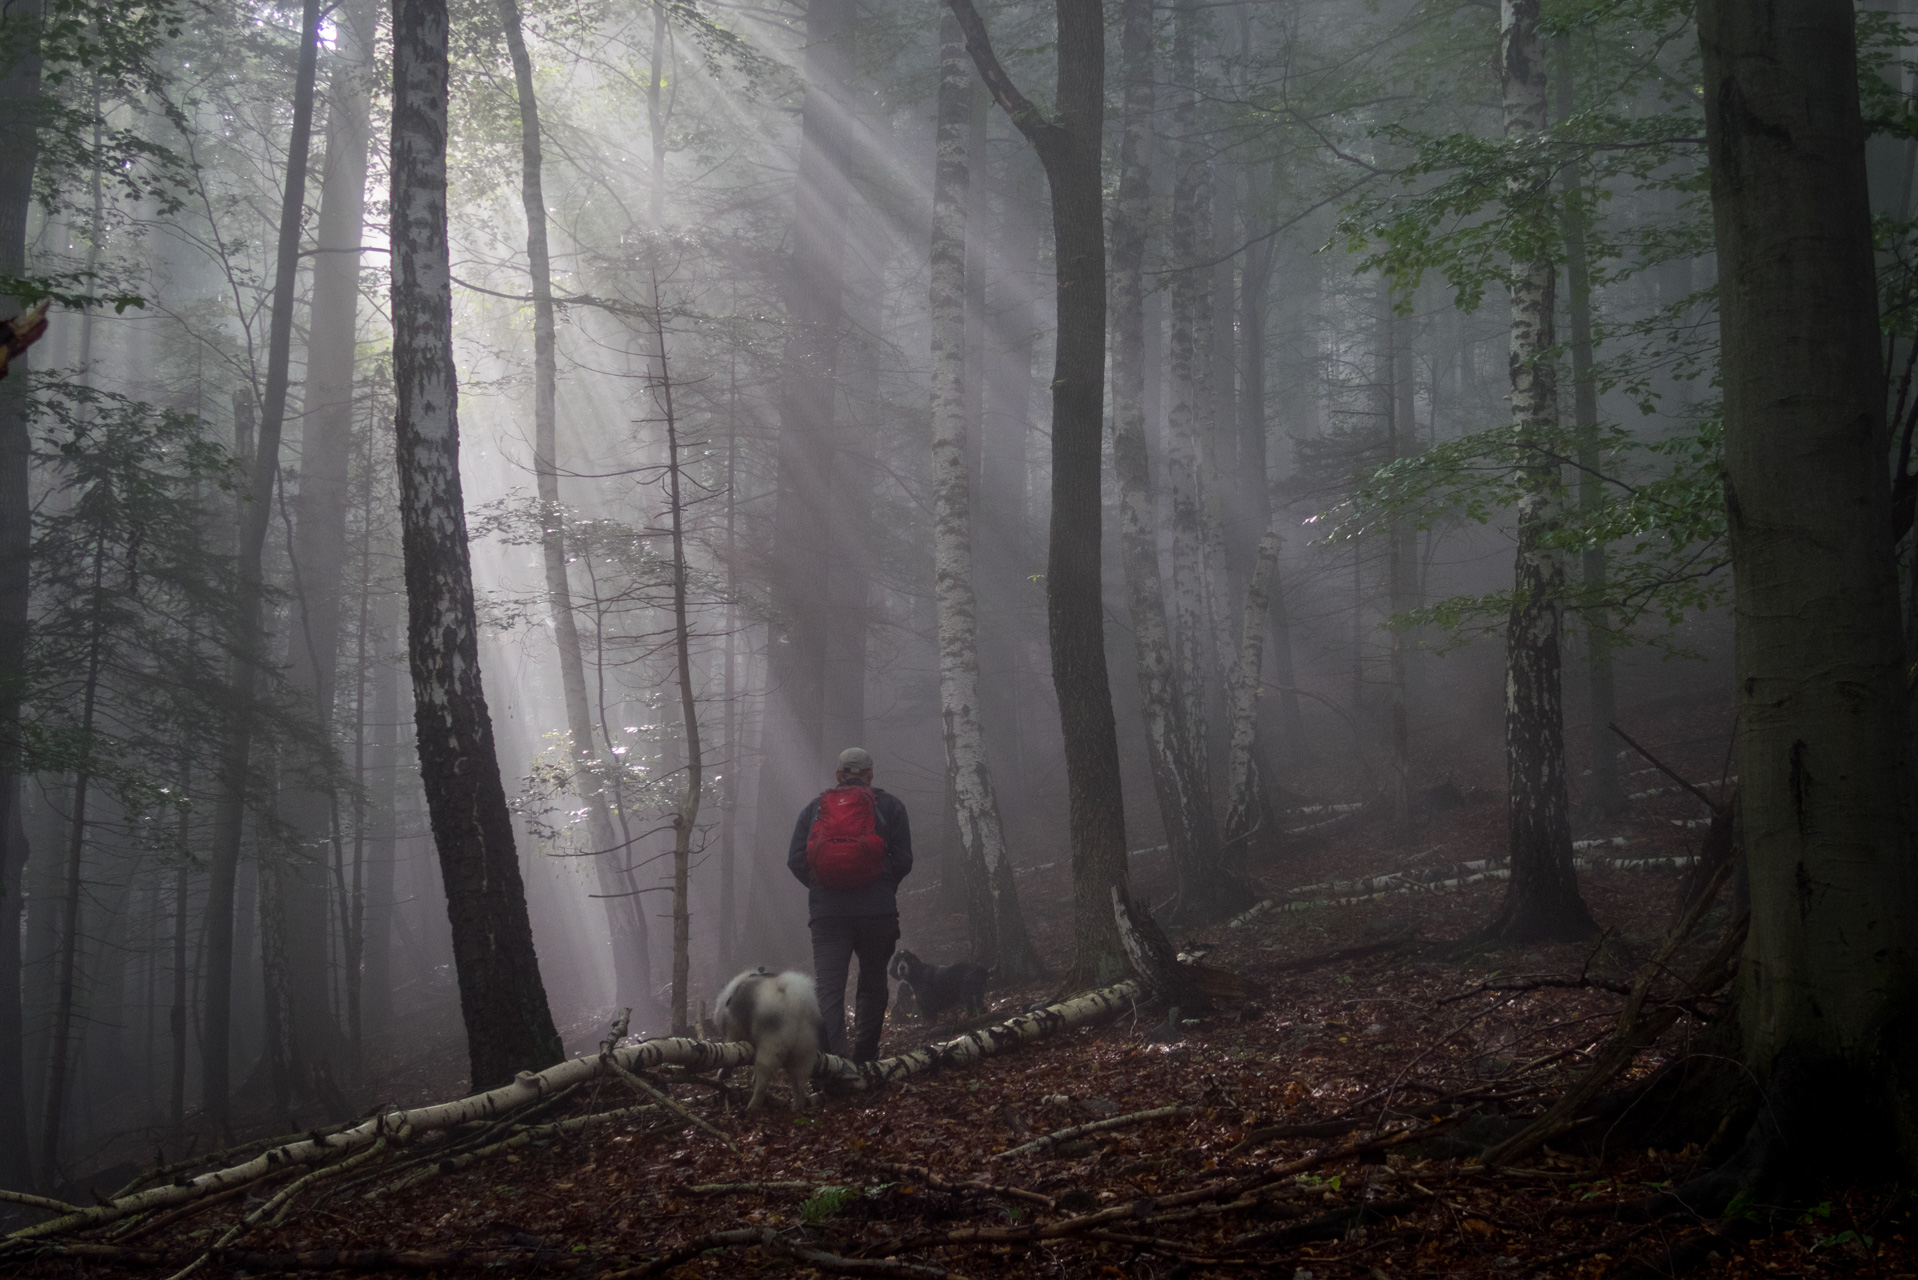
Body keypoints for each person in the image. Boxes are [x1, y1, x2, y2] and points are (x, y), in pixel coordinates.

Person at [787, 746, 912, 1062]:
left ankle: (835, 1063)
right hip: (877, 913)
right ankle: (865, 1059)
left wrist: (821, 887)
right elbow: (904, 860)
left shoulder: (815, 809)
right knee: (872, 983)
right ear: (870, 773)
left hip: (828, 915)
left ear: (838, 775)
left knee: (829, 990)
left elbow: (795, 860)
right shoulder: (891, 806)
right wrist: (883, 886)